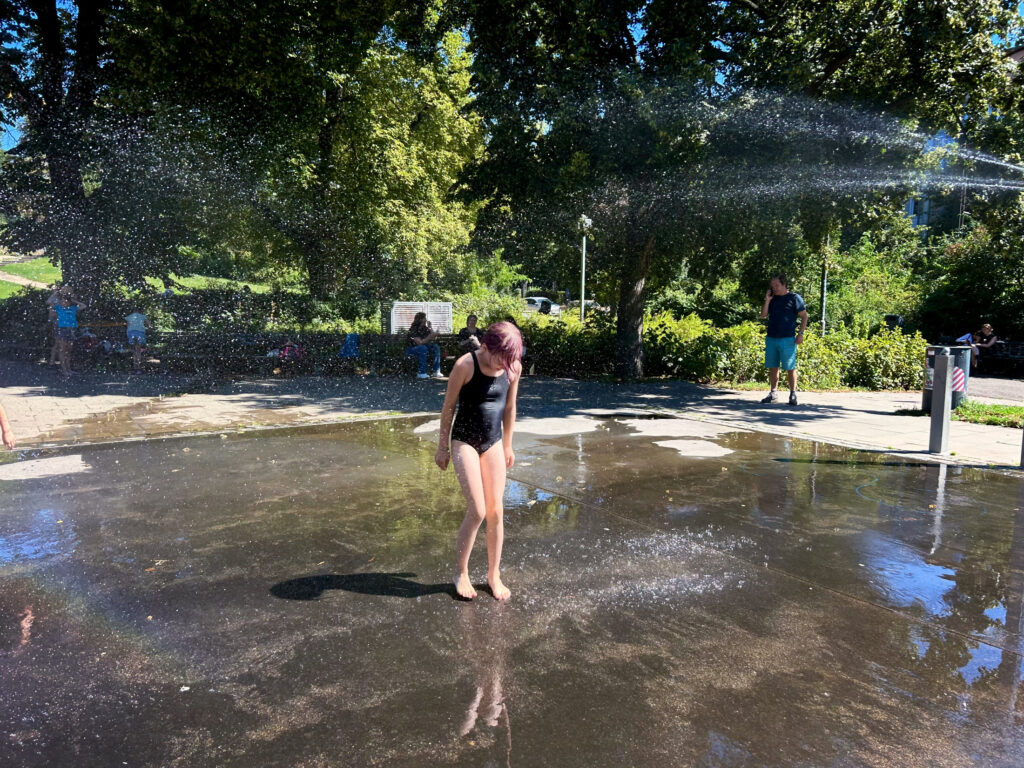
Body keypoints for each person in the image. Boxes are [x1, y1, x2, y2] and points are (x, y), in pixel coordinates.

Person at [435, 322, 523, 601]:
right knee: (478, 510)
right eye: (501, 359)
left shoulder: (513, 368)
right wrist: (442, 447)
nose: (505, 366)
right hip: (464, 442)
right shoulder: (465, 365)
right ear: (485, 348)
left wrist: (508, 444)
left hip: (493, 442)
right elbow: (448, 407)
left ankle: (493, 574)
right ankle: (461, 572)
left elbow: (510, 407)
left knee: (496, 511)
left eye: (511, 360)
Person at [760, 274, 808, 406]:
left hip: (788, 339)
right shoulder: (772, 298)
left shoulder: (794, 298)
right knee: (773, 367)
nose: (774, 288)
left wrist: (801, 334)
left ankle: (793, 393)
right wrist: (768, 300)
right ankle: (773, 393)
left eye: (776, 285)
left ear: (784, 284)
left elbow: (804, 316)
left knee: (790, 367)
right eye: (772, 286)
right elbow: (763, 315)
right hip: (771, 338)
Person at [53, 291, 88, 378]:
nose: (63, 303)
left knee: (68, 351)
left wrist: (74, 301)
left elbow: (84, 306)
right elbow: (49, 302)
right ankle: (64, 370)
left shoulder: (72, 308)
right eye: (62, 301)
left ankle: (68, 369)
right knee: (62, 349)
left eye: (65, 301)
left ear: (68, 302)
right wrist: (56, 293)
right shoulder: (59, 308)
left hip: (71, 329)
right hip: (63, 329)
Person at [406, 311, 443, 379]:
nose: (426, 320)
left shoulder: (425, 328)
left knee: (435, 347)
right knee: (422, 348)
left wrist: (430, 328)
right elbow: (419, 343)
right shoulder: (413, 329)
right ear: (420, 319)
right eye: (424, 318)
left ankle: (436, 371)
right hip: (411, 350)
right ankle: (421, 373)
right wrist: (430, 336)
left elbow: (433, 338)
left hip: (423, 348)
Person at [125, 307, 150, 373]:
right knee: (138, 351)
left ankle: (135, 367)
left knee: (134, 351)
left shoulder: (130, 316)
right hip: (140, 333)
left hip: (131, 333)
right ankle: (138, 368)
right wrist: (149, 327)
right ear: (140, 311)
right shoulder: (142, 316)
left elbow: (127, 325)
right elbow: (149, 324)